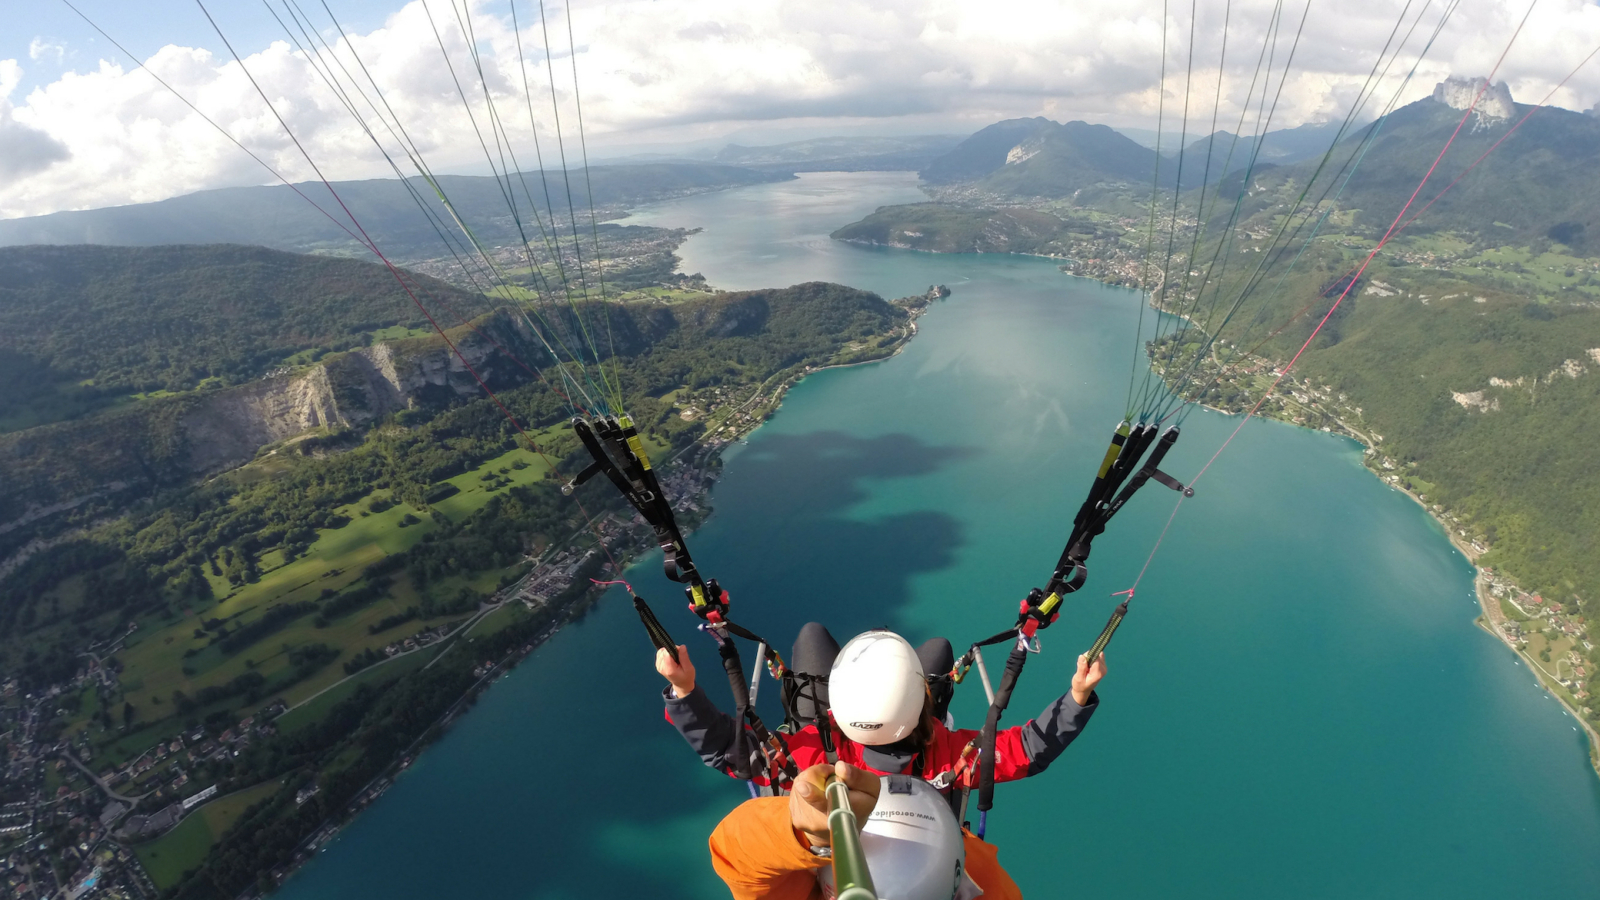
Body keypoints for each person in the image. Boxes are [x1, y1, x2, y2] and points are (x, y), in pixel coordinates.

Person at [658, 624, 1105, 791]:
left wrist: (685, 690)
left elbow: (724, 749)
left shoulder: (807, 757)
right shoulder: (948, 757)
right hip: (903, 748)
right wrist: (1077, 696)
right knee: (938, 651)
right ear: (923, 706)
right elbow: (1029, 749)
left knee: (812, 637)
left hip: (828, 743)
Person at [709, 760, 1023, 900]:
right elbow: (740, 854)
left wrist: (813, 838)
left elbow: (737, 857)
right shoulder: (982, 877)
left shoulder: (987, 881)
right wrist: (807, 836)